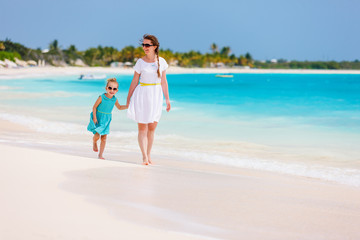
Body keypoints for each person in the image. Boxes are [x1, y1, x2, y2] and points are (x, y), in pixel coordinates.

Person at [126, 34, 171, 165]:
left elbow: (164, 82)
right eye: (143, 45)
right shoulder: (140, 62)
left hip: (156, 95)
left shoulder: (161, 62)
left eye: (147, 45)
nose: (144, 47)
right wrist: (129, 98)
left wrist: (167, 99)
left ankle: (149, 154)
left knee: (152, 128)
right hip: (142, 94)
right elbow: (134, 81)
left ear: (154, 47)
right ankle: (144, 156)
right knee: (142, 128)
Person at [87, 78, 127, 159]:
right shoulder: (101, 97)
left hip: (107, 119)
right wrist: (94, 117)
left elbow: (119, 107)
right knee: (97, 135)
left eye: (114, 89)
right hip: (98, 117)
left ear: (117, 90)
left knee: (104, 138)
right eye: (110, 88)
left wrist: (127, 106)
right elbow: (94, 107)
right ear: (106, 88)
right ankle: (94, 141)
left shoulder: (114, 99)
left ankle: (100, 155)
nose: (112, 90)